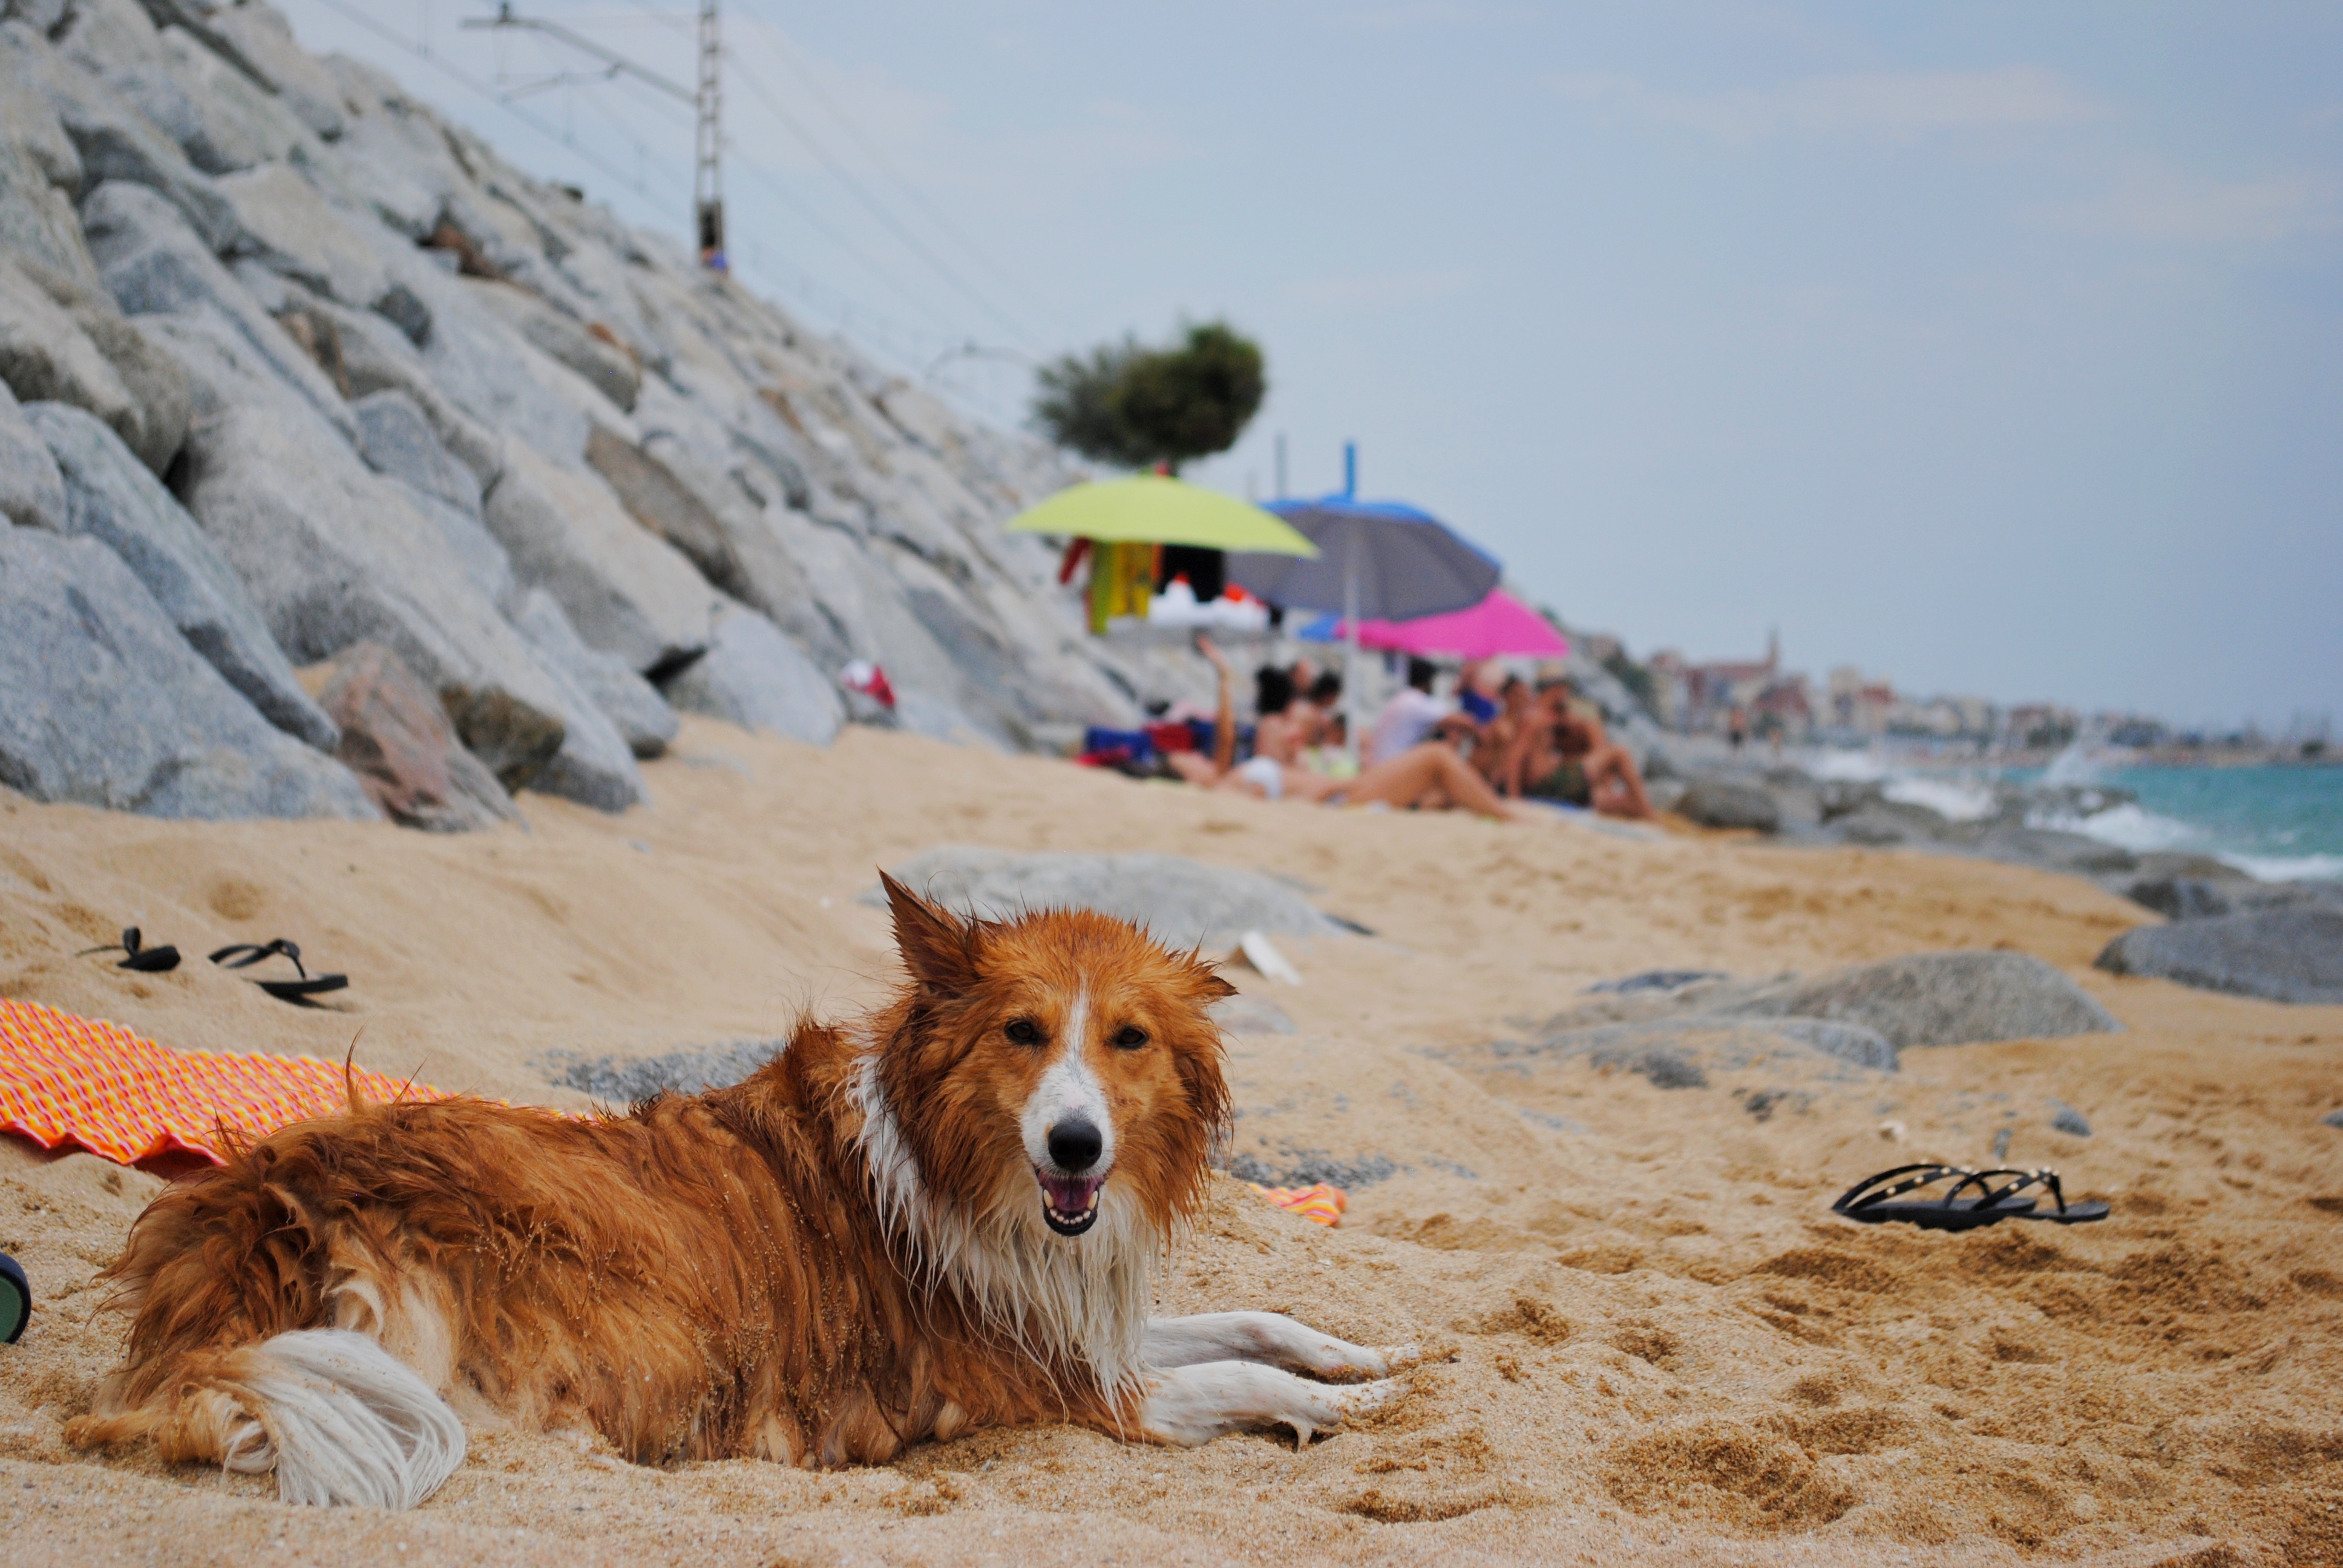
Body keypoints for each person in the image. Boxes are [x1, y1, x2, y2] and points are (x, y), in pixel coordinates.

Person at [1172, 639, 1521, 820]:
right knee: (1438, 758)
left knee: (1438, 775)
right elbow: (1282, 800)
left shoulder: (1230, 777)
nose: (1193, 757)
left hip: (1345, 790)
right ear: (1187, 779)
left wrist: (1224, 675)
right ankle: (1508, 816)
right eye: (1185, 760)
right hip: (1343, 797)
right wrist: (1333, 786)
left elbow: (1227, 745)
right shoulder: (1227, 789)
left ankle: (1498, 811)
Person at [1368, 658, 1455, 765]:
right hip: (1393, 769)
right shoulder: (1415, 700)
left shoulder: (1403, 698)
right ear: (1428, 681)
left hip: (1382, 767)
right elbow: (1460, 721)